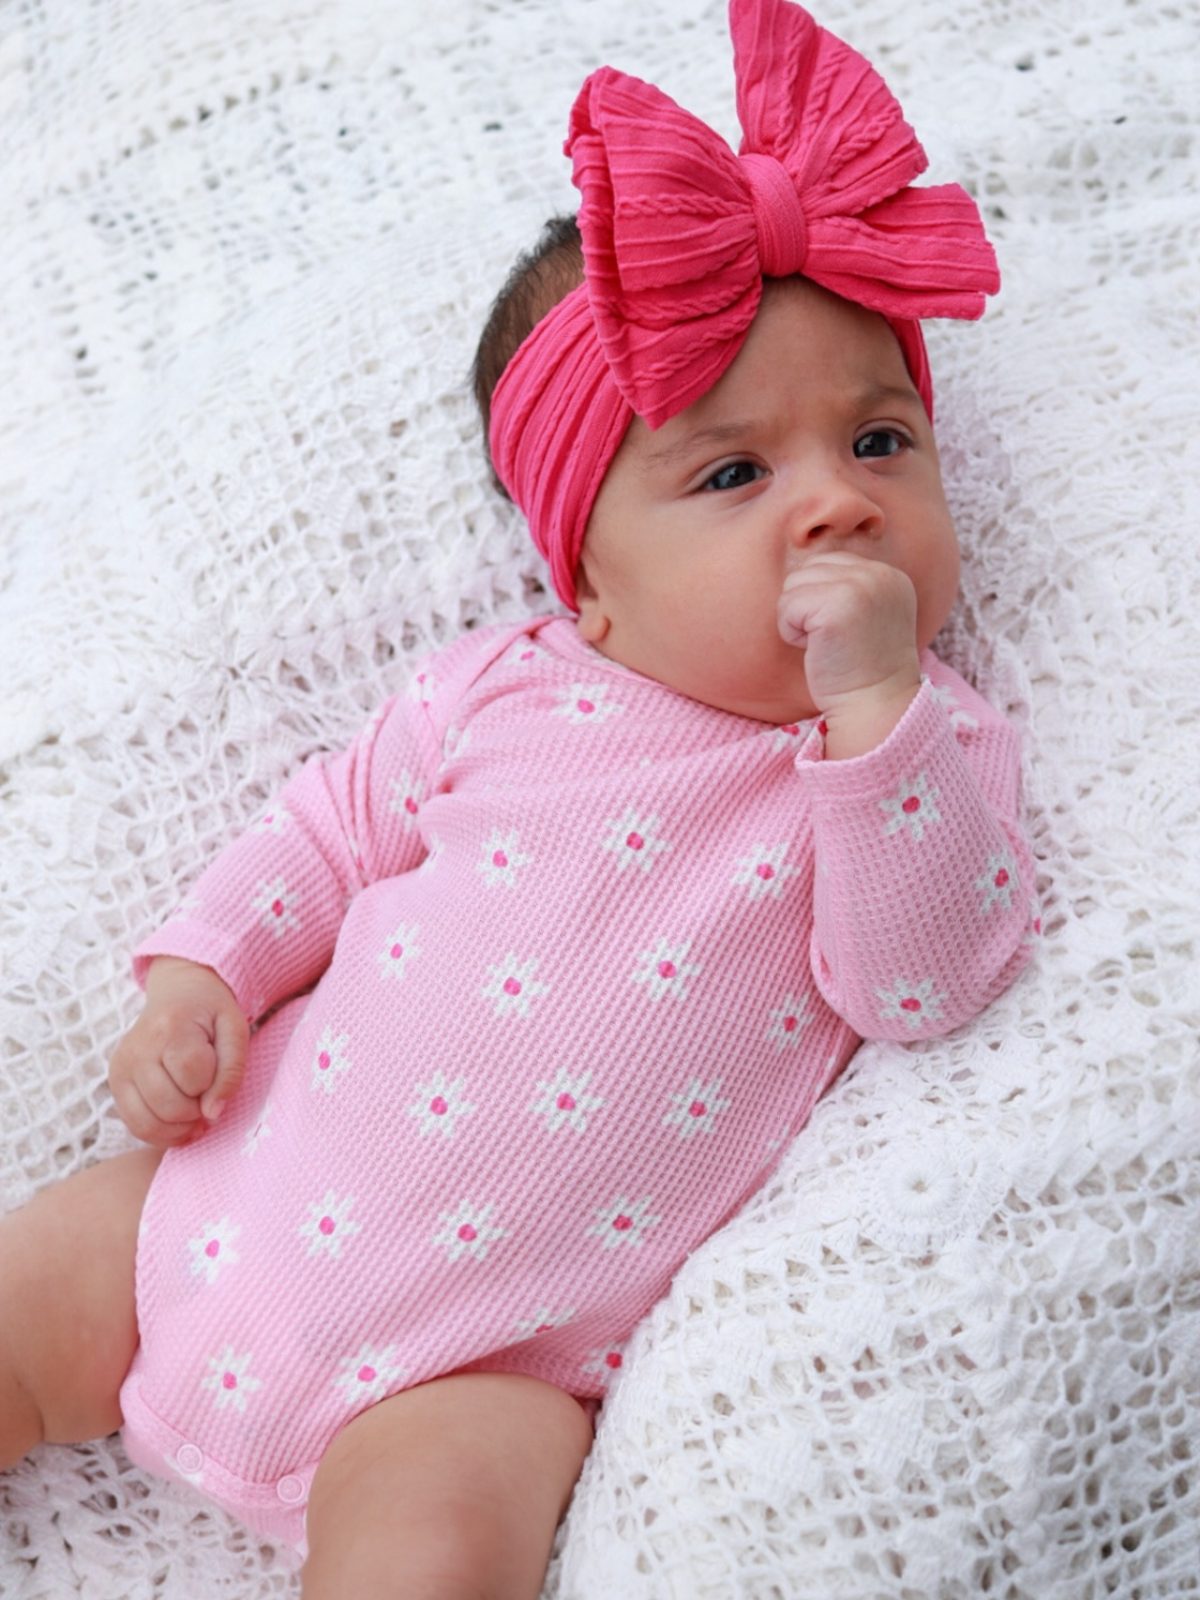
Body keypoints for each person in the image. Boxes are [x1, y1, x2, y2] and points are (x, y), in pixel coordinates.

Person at [0, 1, 1036, 1595]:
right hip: (218, 1198)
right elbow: (329, 831)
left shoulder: (914, 745)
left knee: (426, 1564)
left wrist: (875, 711)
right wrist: (203, 968)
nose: (840, 498)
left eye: (883, 440)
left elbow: (919, 982)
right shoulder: (510, 682)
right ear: (588, 578)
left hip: (476, 1372)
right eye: (732, 474)